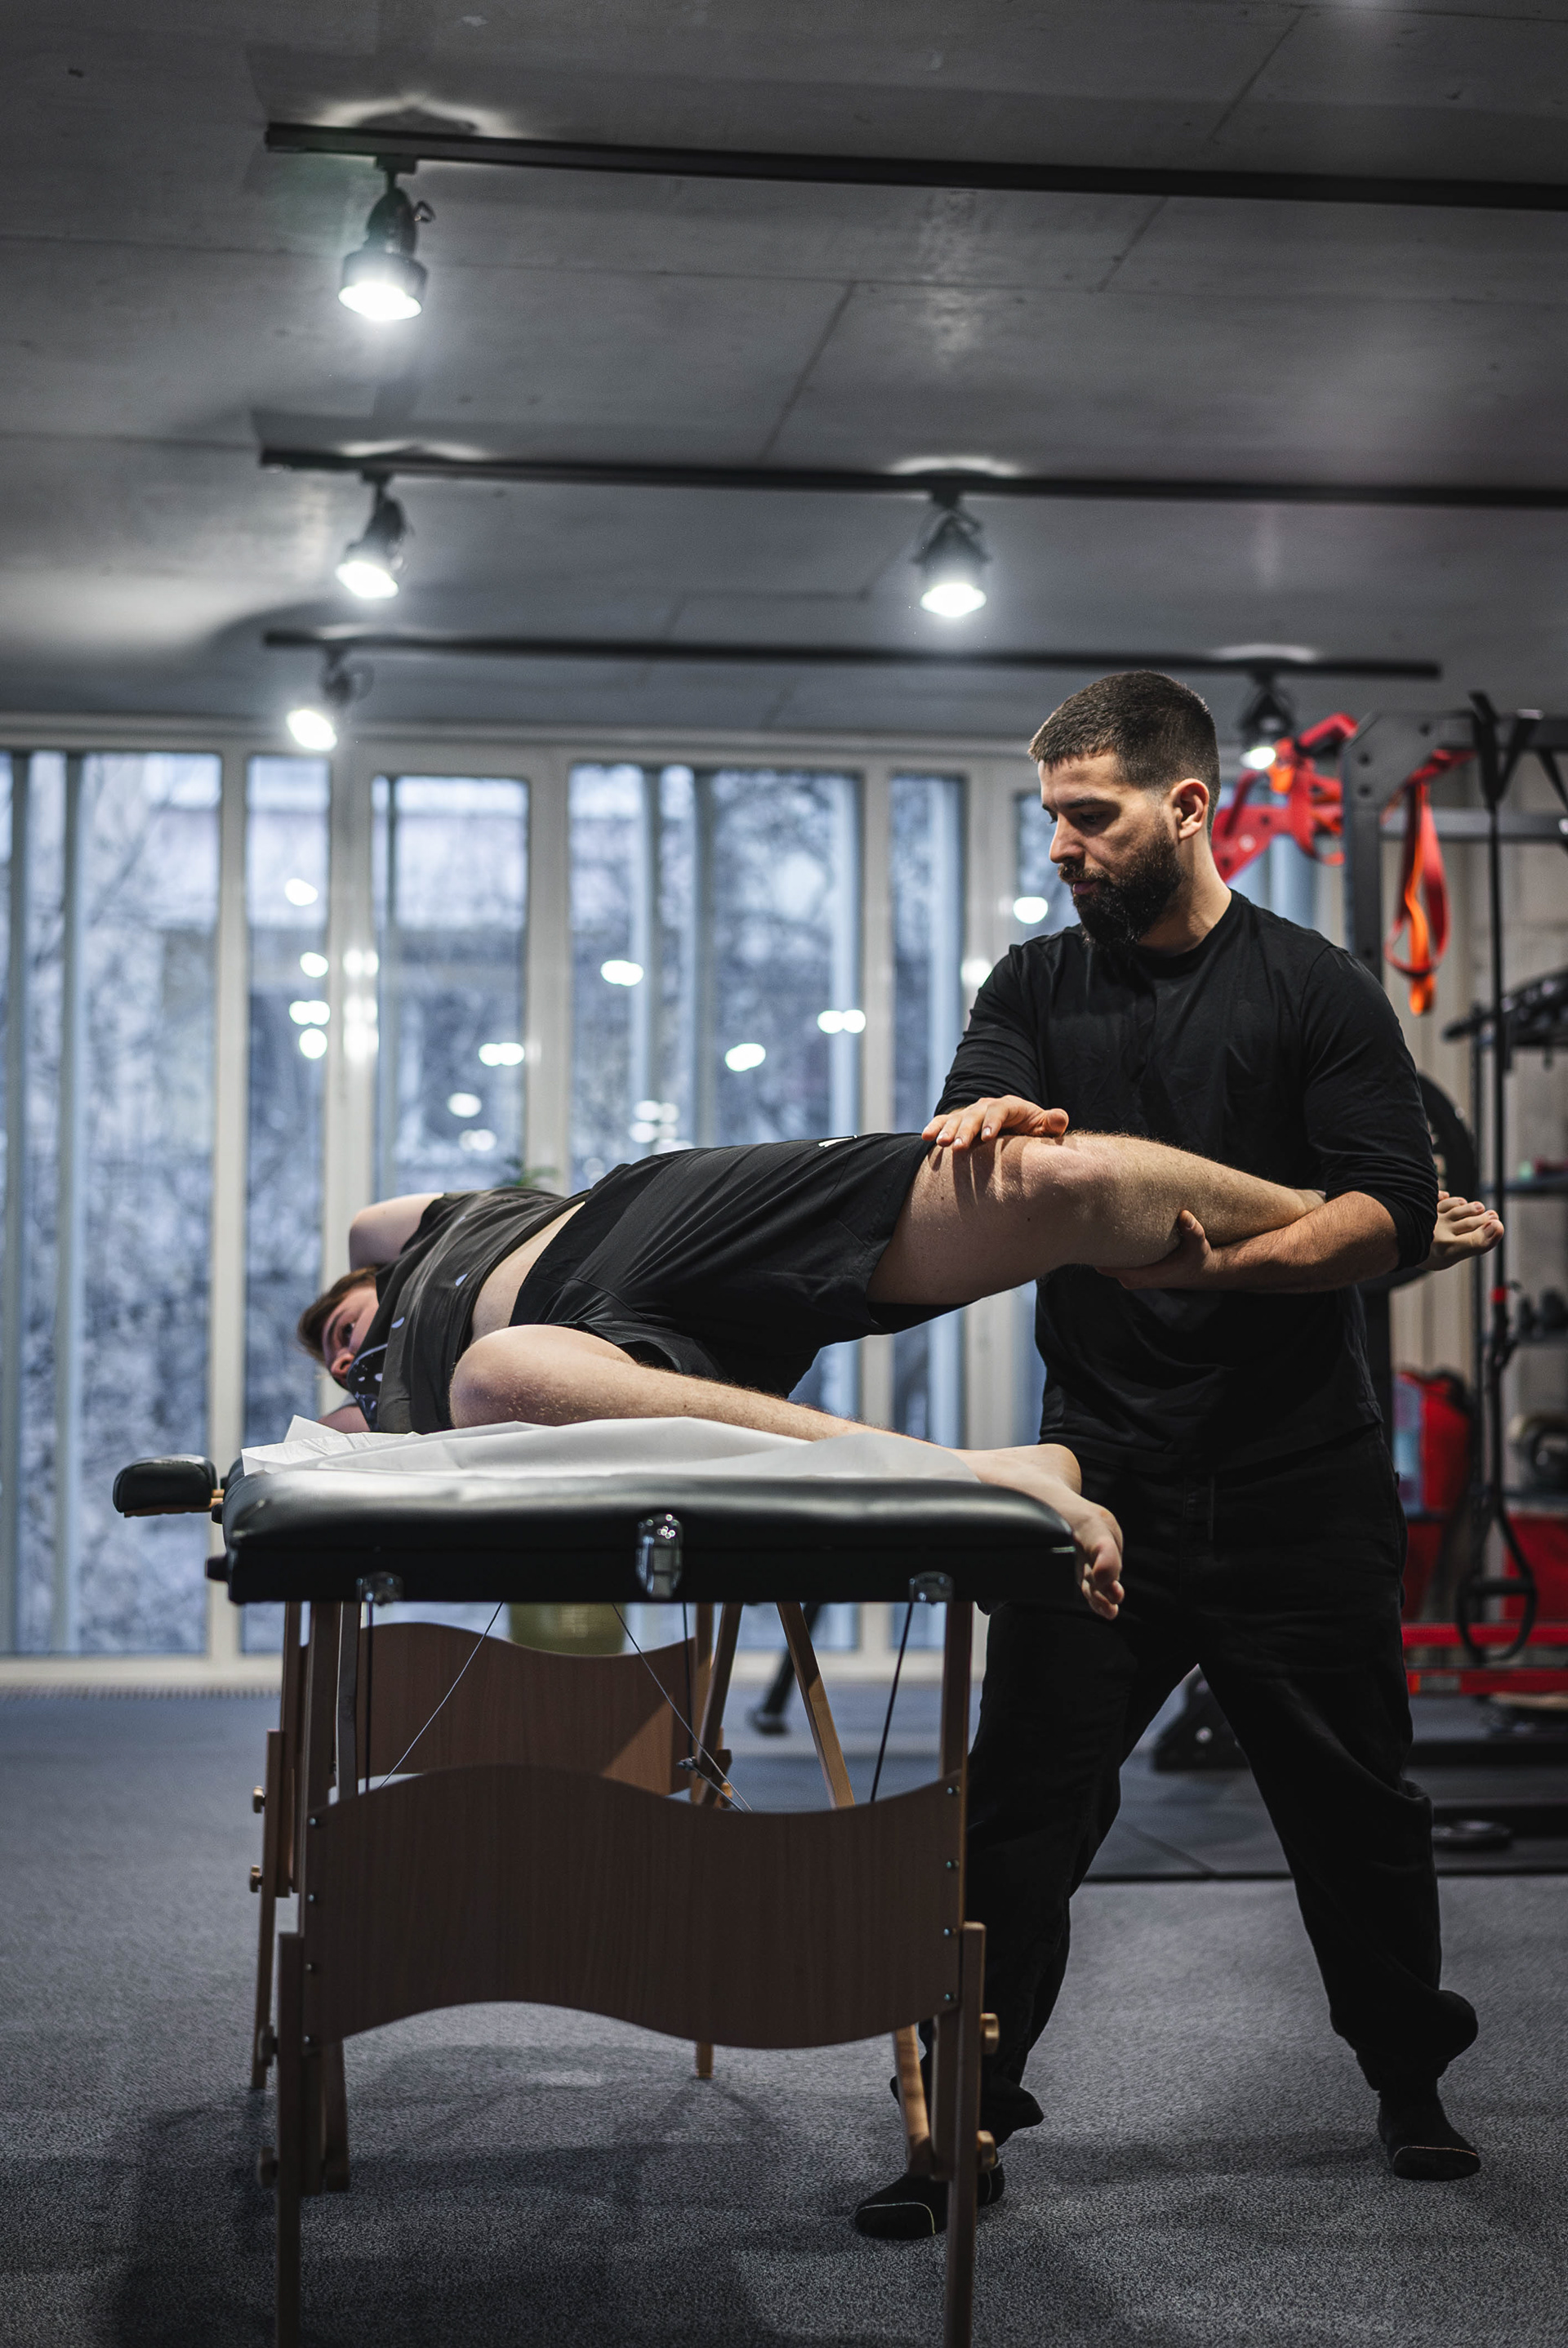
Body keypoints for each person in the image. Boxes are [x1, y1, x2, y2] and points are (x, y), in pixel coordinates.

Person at [851, 669, 1500, 2243]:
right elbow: (977, 1145)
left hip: (1298, 1475)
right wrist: (993, 1141)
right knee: (1020, 1812)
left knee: (1354, 1809)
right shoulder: (1032, 984)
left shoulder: (1317, 990)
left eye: (1090, 816)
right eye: (1051, 817)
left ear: (1188, 806)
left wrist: (1210, 1263)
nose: (1061, 846)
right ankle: (965, 2121)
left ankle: (1409, 2081)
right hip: (1105, 1480)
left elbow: (1388, 1215)